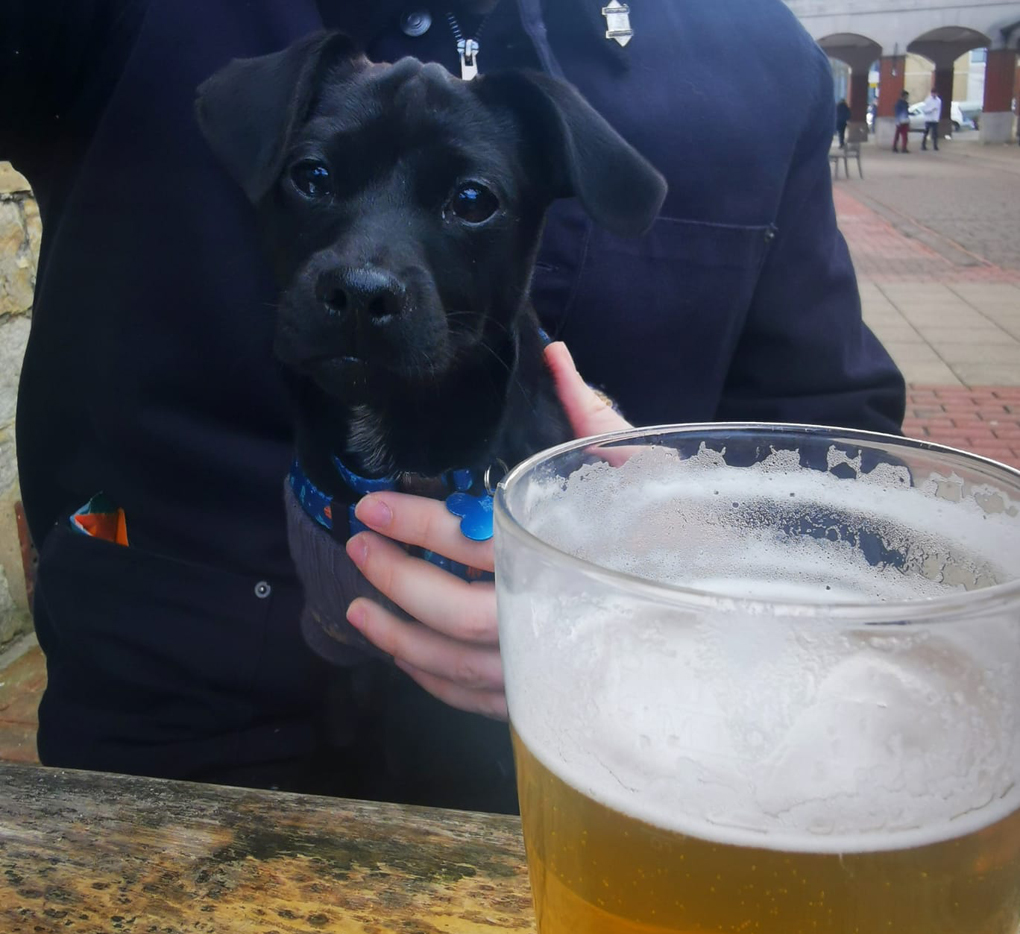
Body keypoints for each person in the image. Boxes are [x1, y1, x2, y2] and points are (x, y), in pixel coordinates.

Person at [2, 0, 905, 811]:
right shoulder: (126, 18)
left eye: (471, 202)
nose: (366, 274)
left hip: (573, 769)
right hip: (165, 765)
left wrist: (670, 591)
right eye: (316, 179)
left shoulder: (749, 54)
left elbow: (844, 465)